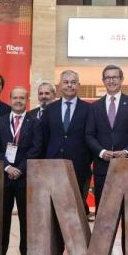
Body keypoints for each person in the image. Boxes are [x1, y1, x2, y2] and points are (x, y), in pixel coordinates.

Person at [85, 65, 128, 207]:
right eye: (108, 78)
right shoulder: (94, 106)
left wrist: (127, 151)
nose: (111, 81)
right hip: (102, 167)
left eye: (115, 77)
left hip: (126, 165)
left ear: (121, 79)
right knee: (103, 213)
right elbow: (89, 135)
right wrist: (101, 152)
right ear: (103, 80)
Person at [0, 86, 40, 255]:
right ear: (10, 99)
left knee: (26, 220)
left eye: (22, 98)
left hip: (25, 178)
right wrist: (7, 167)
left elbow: (36, 148)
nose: (18, 101)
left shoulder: (35, 122)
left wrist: (19, 169)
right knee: (2, 219)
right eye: (15, 97)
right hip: (4, 178)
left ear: (27, 99)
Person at [39, 70, 92, 204]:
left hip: (79, 167)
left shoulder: (89, 109)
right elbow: (45, 137)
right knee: (54, 206)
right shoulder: (50, 109)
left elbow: (91, 137)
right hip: (53, 165)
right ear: (59, 85)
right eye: (66, 82)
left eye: (73, 82)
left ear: (79, 85)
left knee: (76, 208)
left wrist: (86, 161)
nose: (69, 85)